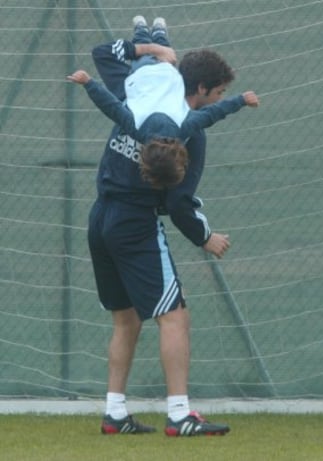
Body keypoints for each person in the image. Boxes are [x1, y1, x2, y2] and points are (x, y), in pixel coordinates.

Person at [80, 16, 259, 436]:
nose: (218, 99)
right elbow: (179, 204)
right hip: (134, 226)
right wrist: (205, 237)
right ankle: (180, 415)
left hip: (100, 218)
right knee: (174, 317)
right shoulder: (187, 134)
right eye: (218, 93)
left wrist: (150, 51)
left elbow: (105, 56)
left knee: (126, 320)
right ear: (199, 91)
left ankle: (115, 413)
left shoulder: (135, 92)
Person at [68, 16, 259, 189]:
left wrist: (240, 100)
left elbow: (212, 114)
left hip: (161, 74)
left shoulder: (182, 128)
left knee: (154, 50)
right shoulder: (139, 130)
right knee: (147, 52)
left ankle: (150, 30)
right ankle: (148, 30)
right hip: (149, 75)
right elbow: (112, 107)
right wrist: (89, 83)